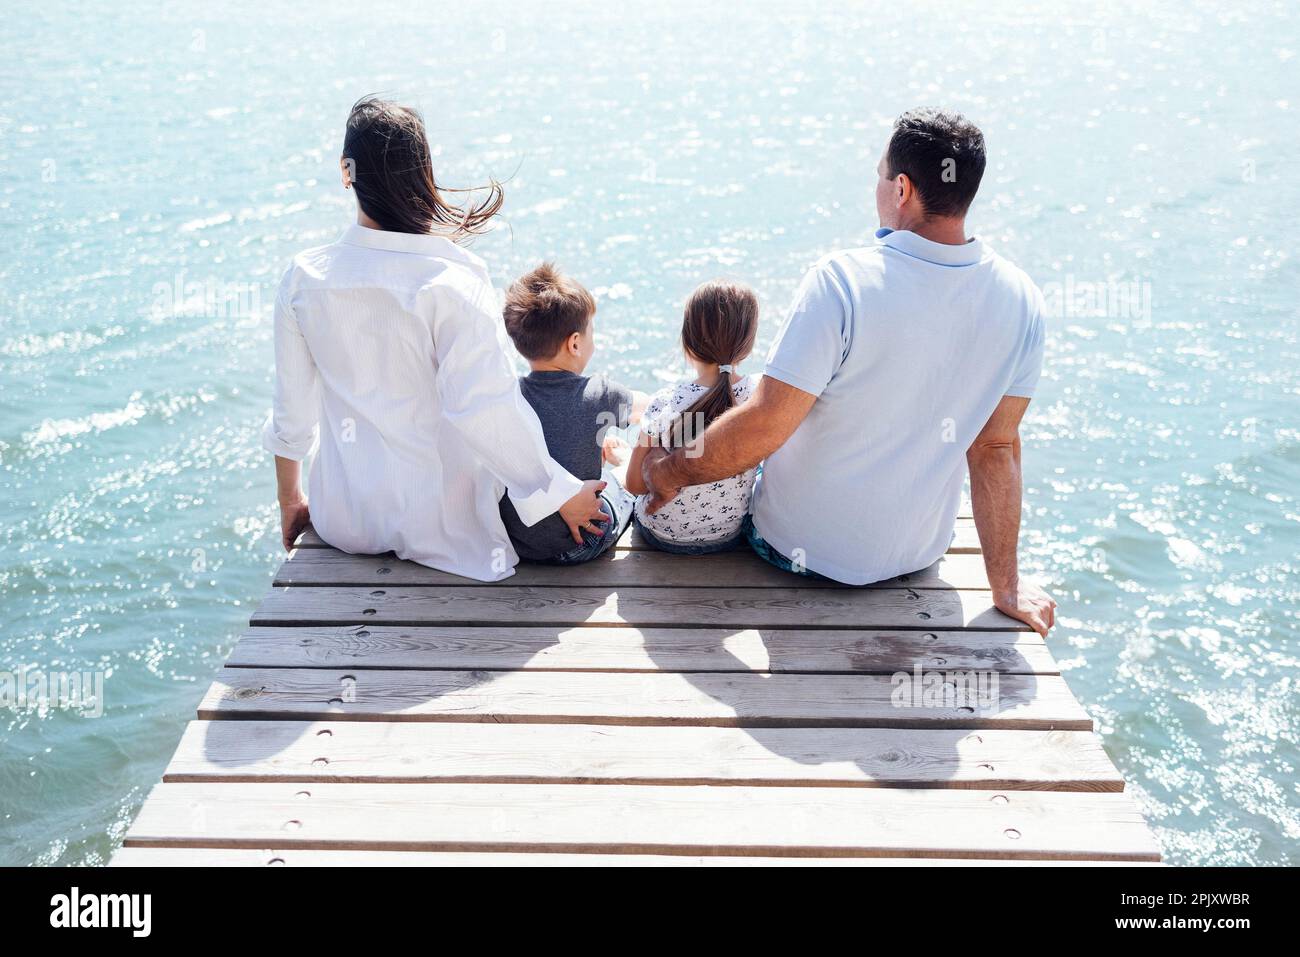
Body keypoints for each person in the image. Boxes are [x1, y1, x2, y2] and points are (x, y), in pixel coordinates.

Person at [642, 108, 1057, 635]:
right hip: (916, 555)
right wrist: (1007, 585)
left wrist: (670, 471)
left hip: (795, 553)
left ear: (902, 188)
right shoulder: (1023, 299)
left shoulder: (841, 281)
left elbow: (767, 423)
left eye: (881, 176)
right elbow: (996, 448)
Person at [261, 97, 607, 581]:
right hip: (447, 532)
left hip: (346, 522)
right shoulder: (452, 280)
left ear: (346, 172)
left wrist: (290, 502)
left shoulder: (303, 279)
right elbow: (483, 407)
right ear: (423, 174)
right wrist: (558, 493)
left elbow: (292, 416)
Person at [498, 263, 648, 564]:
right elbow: (648, 409)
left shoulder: (508, 397)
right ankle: (619, 466)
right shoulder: (599, 393)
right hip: (579, 544)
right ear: (575, 343)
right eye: (591, 331)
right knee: (622, 487)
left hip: (520, 543)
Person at [624, 280, 759, 554]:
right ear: (748, 344)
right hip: (727, 534)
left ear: (687, 343)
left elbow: (635, 485)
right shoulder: (759, 397)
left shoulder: (666, 402)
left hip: (662, 536)